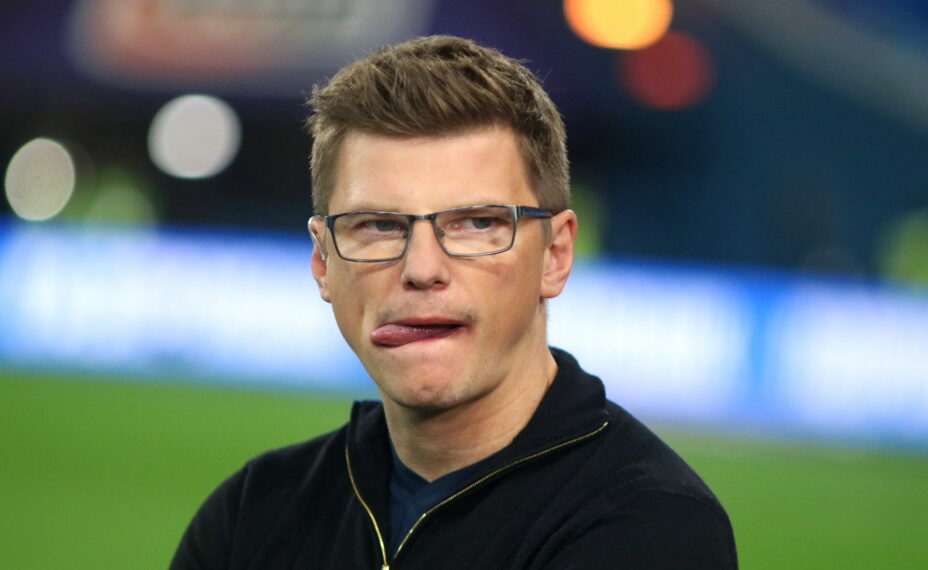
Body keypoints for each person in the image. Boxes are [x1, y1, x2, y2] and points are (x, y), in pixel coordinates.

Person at [170, 35, 737, 569]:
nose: (422, 270)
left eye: (477, 223)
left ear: (555, 255)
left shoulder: (652, 527)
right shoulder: (252, 514)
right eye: (378, 225)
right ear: (323, 262)